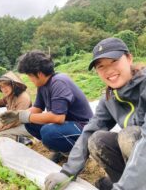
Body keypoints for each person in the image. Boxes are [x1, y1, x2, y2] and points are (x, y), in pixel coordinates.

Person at [44, 37, 146, 190]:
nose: (108, 70)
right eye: (101, 66)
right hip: (137, 164)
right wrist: (67, 171)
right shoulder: (109, 97)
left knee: (129, 136)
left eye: (114, 61)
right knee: (97, 140)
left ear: (129, 58)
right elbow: (90, 130)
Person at [0, 51, 93, 162]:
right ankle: (61, 149)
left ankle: (79, 154)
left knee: (48, 132)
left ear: (39, 74)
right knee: (30, 122)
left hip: (84, 127)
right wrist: (17, 115)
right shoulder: (42, 86)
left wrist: (23, 116)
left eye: (29, 76)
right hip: (67, 125)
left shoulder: (59, 82)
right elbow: (37, 109)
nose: (29, 79)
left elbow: (58, 117)